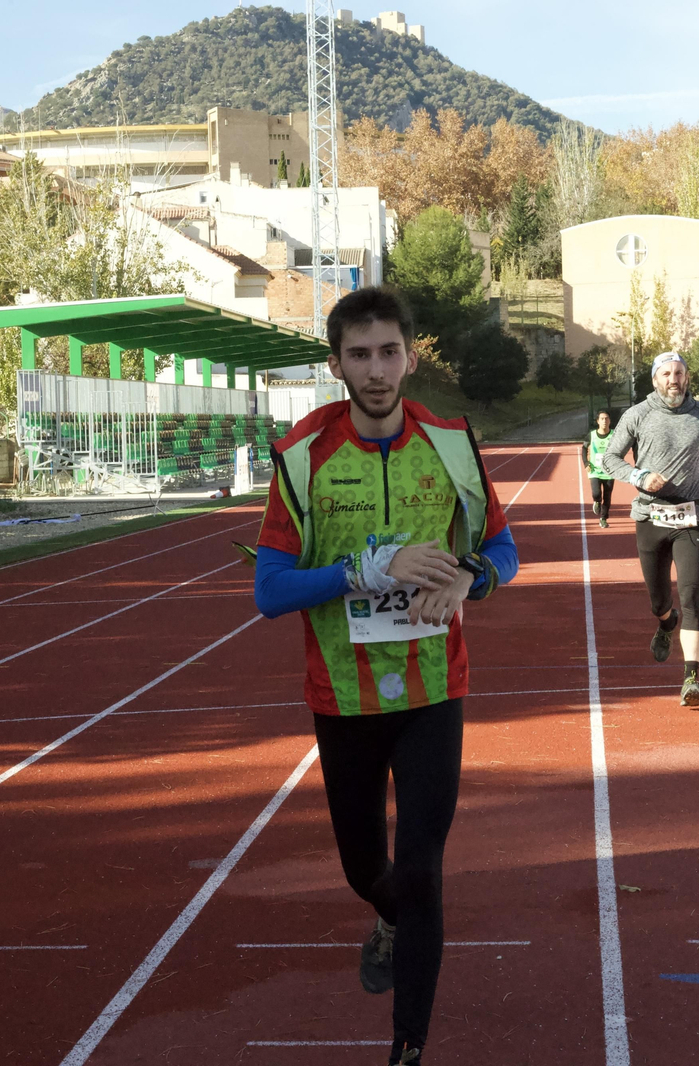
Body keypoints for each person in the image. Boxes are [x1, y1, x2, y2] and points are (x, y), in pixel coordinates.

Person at [252, 287, 520, 1066]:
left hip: (436, 687)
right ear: (336, 362)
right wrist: (364, 570)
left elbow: (502, 551)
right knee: (368, 868)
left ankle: (409, 1044)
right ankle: (386, 915)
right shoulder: (302, 457)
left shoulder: (451, 445)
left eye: (389, 351)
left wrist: (472, 580)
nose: (376, 370)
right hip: (342, 694)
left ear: (411, 353)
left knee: (424, 865)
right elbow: (270, 592)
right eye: (359, 355)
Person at [600, 351, 699, 707]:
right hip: (649, 516)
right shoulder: (638, 414)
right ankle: (664, 622)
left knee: (692, 598)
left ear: (687, 378)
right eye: (667, 374)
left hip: (692, 516)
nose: (674, 379)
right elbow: (609, 458)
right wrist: (639, 476)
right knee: (659, 600)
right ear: (656, 380)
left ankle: (691, 679)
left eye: (679, 373)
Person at [583, 409, 616, 528]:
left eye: (606, 418)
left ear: (610, 421)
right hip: (595, 471)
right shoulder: (591, 435)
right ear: (598, 421)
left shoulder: (614, 435)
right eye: (602, 419)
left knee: (607, 497)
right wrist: (586, 463)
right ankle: (596, 501)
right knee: (597, 493)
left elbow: (620, 448)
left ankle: (603, 518)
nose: (604, 421)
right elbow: (583, 449)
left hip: (609, 471)